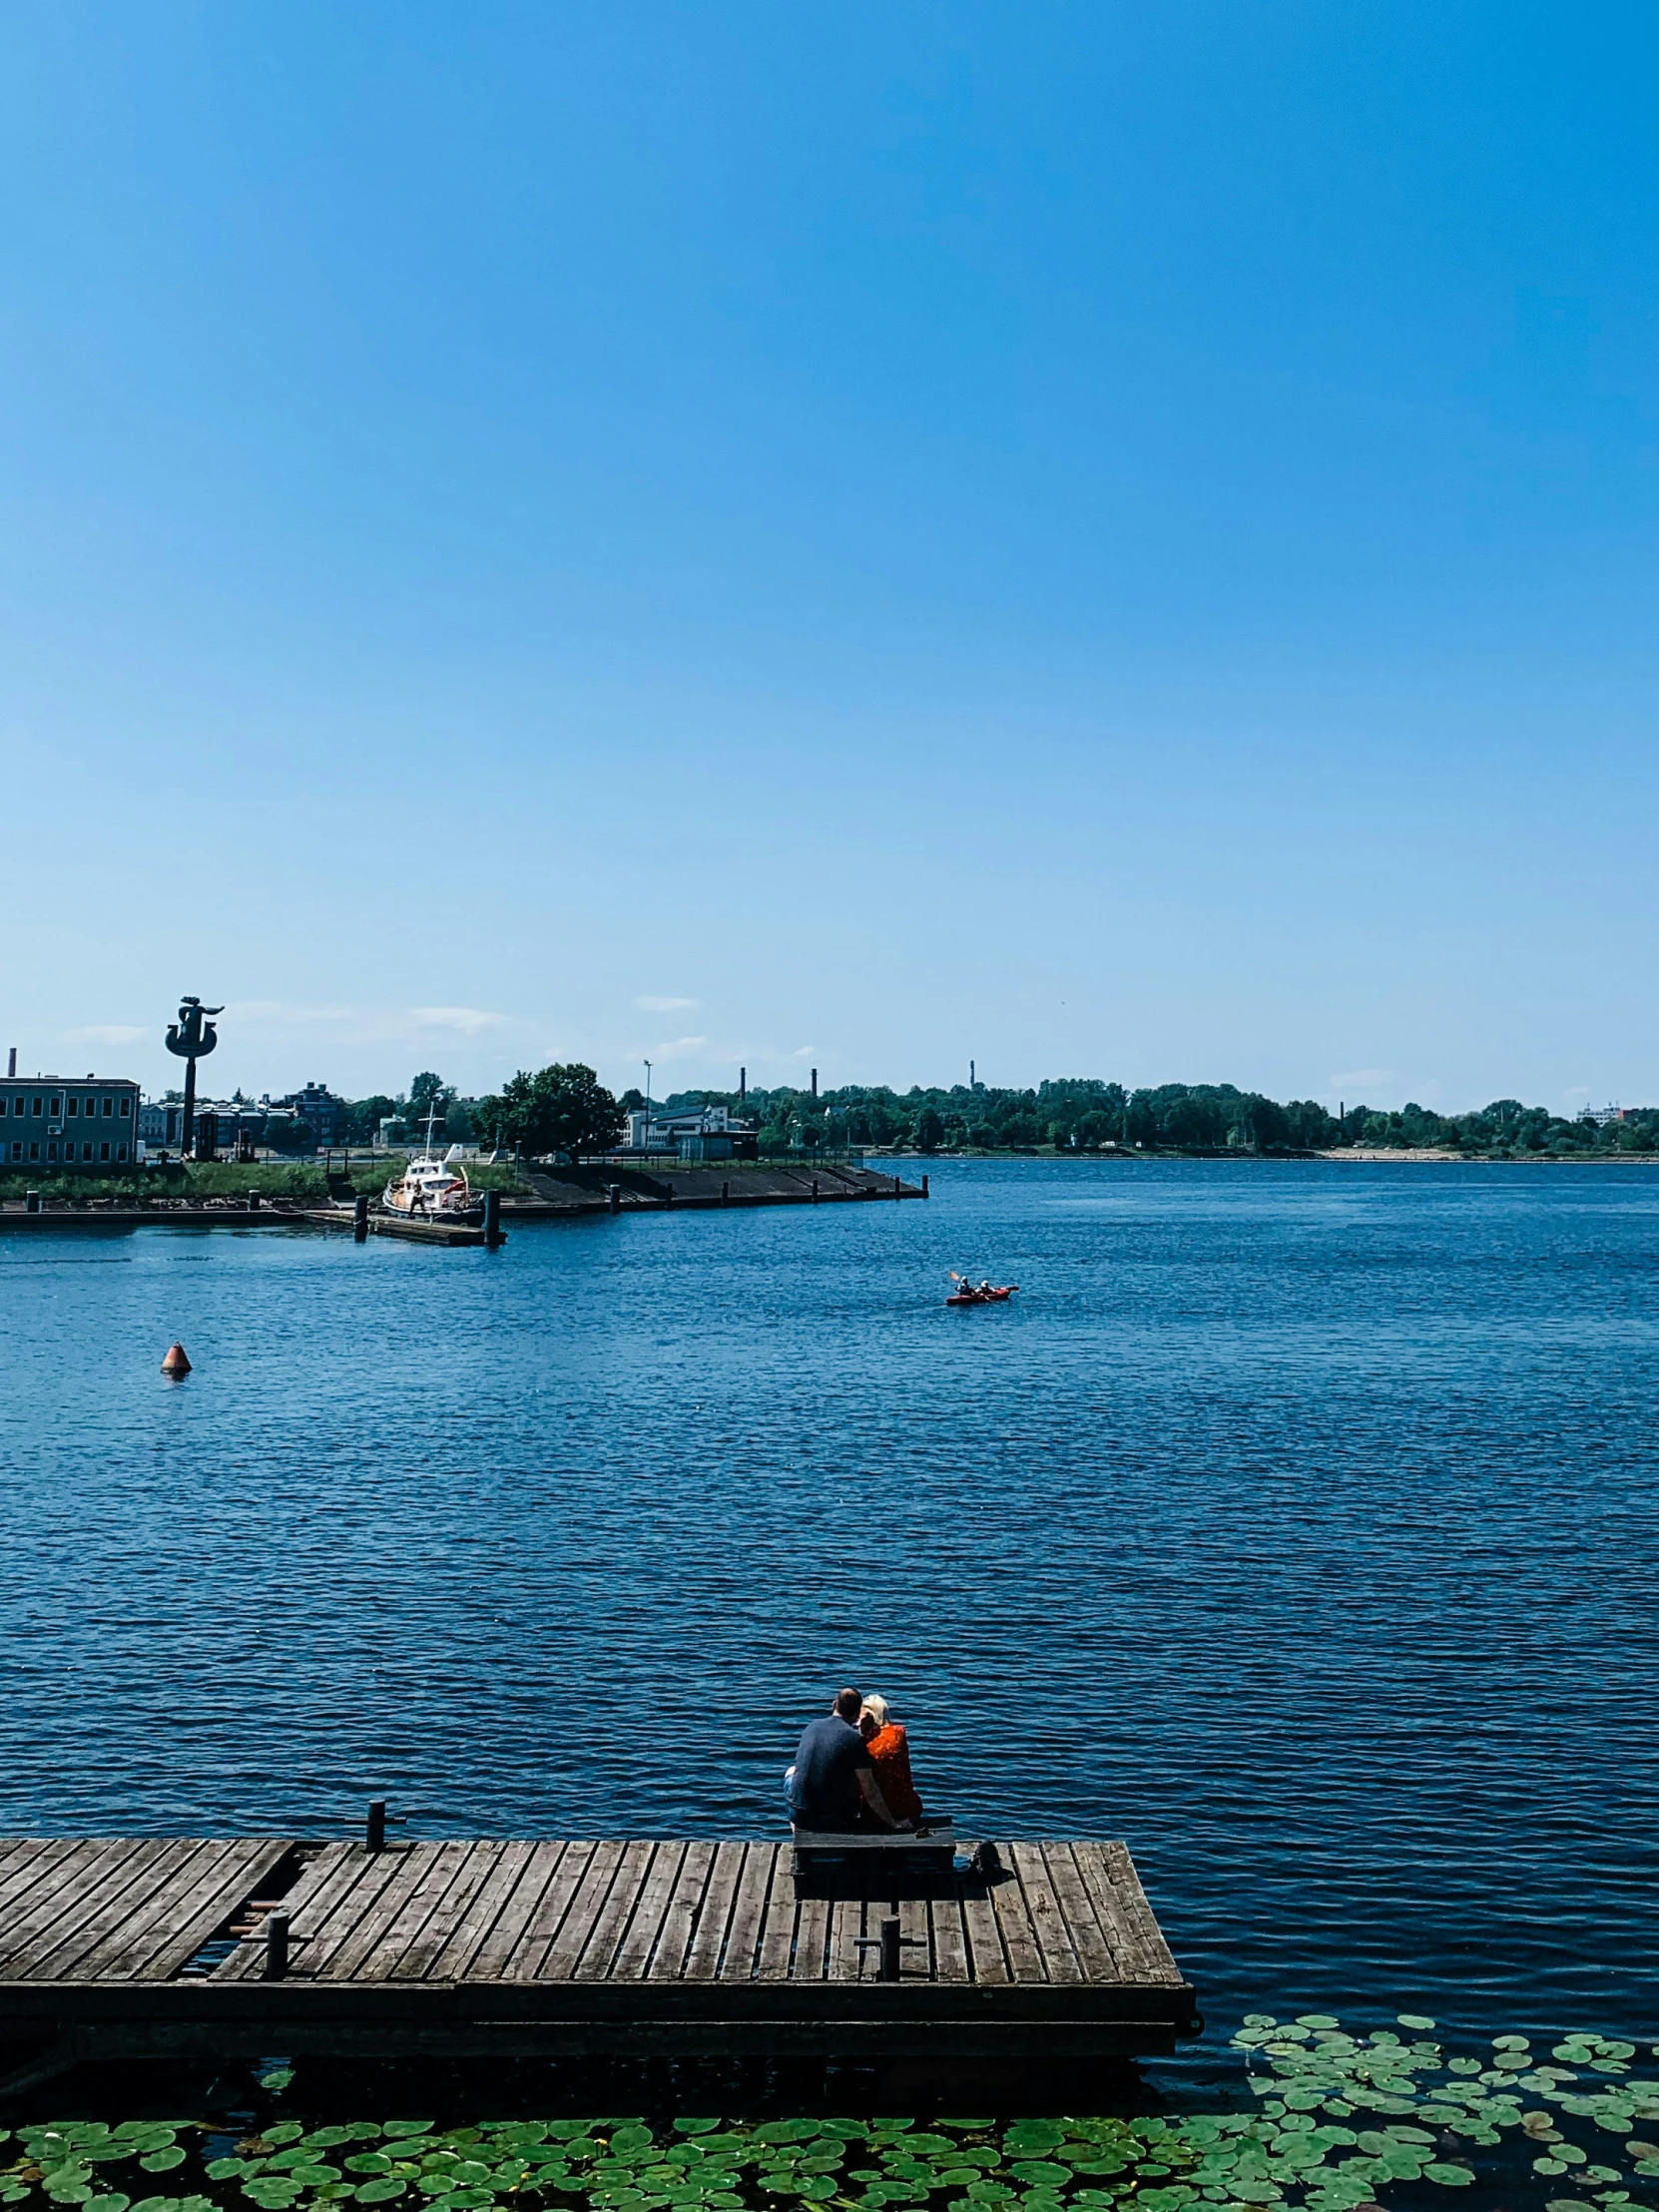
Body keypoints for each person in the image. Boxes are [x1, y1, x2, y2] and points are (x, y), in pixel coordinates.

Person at [788, 1687, 911, 1832]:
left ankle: (798, 1832)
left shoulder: (811, 1726)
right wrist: (893, 1823)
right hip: (830, 1819)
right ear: (858, 1713)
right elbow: (869, 1790)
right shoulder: (854, 1739)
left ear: (834, 1704)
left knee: (791, 1772)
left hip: (797, 1813)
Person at [857, 1694, 925, 1828]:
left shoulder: (861, 1743)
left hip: (873, 1814)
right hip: (909, 1808)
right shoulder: (899, 1733)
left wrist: (862, 1731)